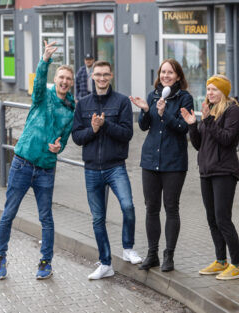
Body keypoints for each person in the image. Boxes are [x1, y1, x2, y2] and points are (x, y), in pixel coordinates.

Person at [0, 41, 75, 280]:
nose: (64, 81)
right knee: (8, 213)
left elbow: (65, 140)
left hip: (46, 169)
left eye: (67, 79)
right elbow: (39, 82)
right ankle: (0, 257)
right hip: (23, 163)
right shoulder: (42, 96)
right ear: (56, 78)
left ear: (71, 83)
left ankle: (45, 263)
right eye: (61, 77)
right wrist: (45, 60)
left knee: (46, 218)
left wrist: (58, 147)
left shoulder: (70, 109)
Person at [71, 60, 142, 280]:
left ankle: (128, 247)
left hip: (115, 166)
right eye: (98, 75)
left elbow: (127, 133)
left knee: (128, 206)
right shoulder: (82, 104)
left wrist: (105, 125)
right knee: (97, 218)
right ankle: (105, 263)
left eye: (106, 75)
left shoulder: (121, 102)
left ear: (111, 76)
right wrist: (92, 130)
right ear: (92, 77)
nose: (102, 78)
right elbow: (76, 137)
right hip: (92, 169)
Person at [130, 59, 193, 272]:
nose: (166, 75)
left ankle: (169, 255)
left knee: (171, 208)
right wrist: (146, 110)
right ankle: (152, 253)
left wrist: (164, 113)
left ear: (178, 76)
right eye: (163, 72)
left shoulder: (185, 98)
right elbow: (143, 127)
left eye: (170, 72)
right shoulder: (153, 95)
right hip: (150, 160)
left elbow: (183, 128)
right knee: (151, 208)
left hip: (174, 162)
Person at [181, 74, 239, 280]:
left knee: (223, 218)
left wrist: (207, 119)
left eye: (214, 89)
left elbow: (227, 139)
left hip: (224, 171)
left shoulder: (232, 110)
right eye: (208, 89)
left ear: (223, 91)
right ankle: (220, 260)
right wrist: (193, 124)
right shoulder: (208, 112)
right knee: (212, 219)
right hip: (206, 171)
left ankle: (237, 264)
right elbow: (199, 145)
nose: (210, 93)